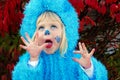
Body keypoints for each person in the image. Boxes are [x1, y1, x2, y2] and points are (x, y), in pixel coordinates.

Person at [12, 0, 108, 80]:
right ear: (34, 33)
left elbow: (100, 77)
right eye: (41, 27)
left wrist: (88, 68)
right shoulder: (30, 61)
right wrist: (33, 60)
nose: (47, 32)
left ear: (65, 32)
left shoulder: (76, 60)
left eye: (53, 26)